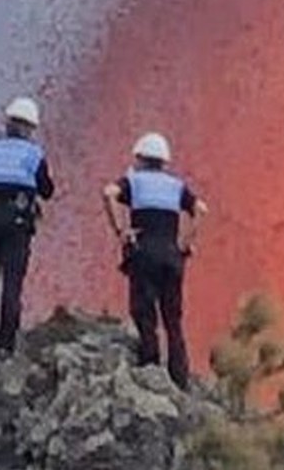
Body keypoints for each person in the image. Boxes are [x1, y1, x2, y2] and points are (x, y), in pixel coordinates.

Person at [102, 132, 207, 389]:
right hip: (172, 255)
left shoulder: (134, 181)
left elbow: (108, 193)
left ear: (140, 157)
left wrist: (120, 230)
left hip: (144, 252)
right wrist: (186, 241)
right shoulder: (176, 186)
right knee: (173, 317)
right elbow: (201, 209)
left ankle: (150, 364)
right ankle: (179, 376)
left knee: (144, 310)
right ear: (164, 161)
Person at [0, 96, 55, 352]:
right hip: (17, 222)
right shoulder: (34, 154)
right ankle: (6, 341)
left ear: (7, 122)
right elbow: (47, 189)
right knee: (12, 279)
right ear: (31, 128)